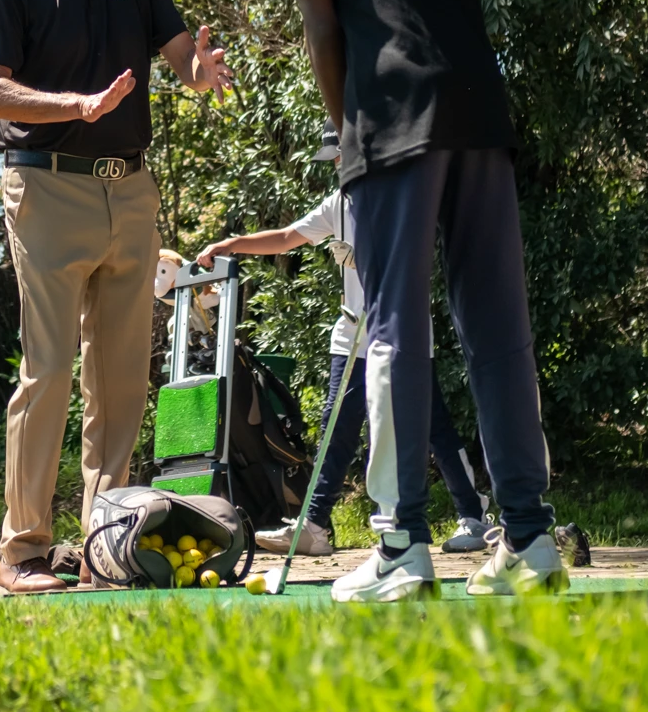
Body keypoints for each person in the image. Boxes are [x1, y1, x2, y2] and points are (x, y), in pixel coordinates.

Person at [276, 0, 564, 602]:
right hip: (481, 121)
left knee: (394, 329)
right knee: (499, 330)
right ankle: (531, 537)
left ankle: (400, 544)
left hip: (395, 126)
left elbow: (325, 27)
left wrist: (345, 131)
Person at [0, 0, 233, 594]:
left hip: (132, 187)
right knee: (48, 370)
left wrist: (198, 69)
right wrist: (73, 106)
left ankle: (103, 544)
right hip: (45, 184)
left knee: (119, 380)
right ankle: (22, 550)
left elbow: (180, 53)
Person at [195, 122, 492, 558]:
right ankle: (314, 525)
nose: (336, 166)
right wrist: (232, 244)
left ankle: (475, 517)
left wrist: (370, 265)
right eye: (333, 160)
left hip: (401, 330)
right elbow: (285, 238)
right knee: (336, 426)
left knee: (433, 426)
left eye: (339, 157)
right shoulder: (339, 203)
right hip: (350, 333)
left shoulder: (399, 197)